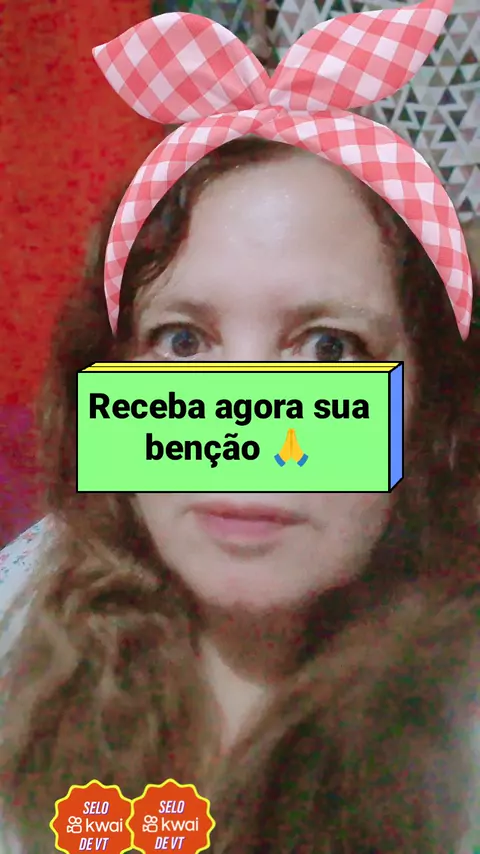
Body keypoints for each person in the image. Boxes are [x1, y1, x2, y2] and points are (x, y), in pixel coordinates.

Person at [1, 6, 479, 854]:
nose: (244, 427)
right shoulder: (17, 622)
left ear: (428, 409)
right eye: (183, 343)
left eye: (328, 348)